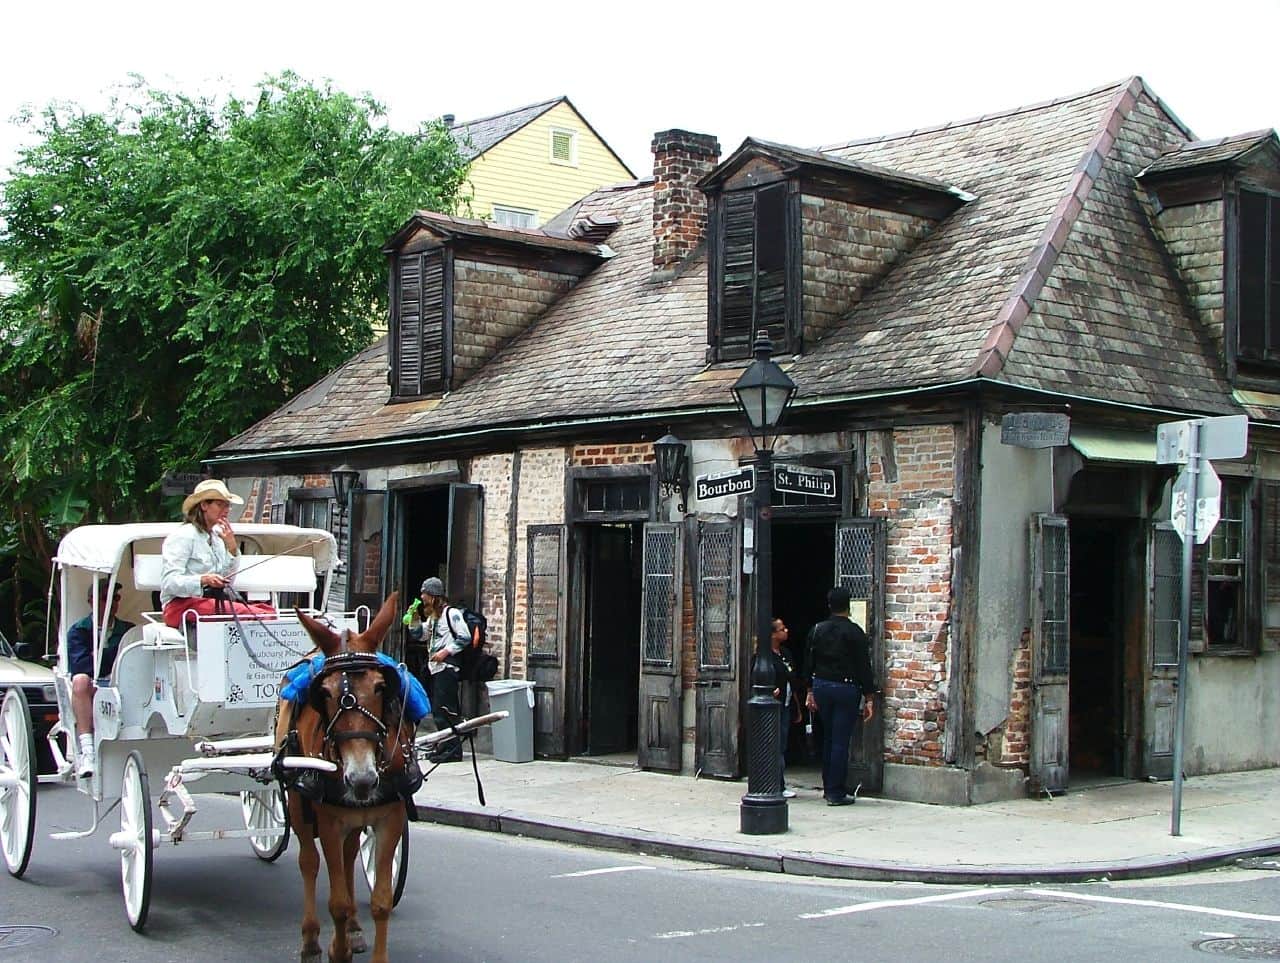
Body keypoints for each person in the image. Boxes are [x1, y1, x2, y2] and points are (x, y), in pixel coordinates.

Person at [160, 478, 276, 629]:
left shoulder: (217, 538)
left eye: (228, 505)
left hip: (210, 602)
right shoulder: (183, 536)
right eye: (220, 504)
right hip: (180, 606)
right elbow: (170, 583)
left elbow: (228, 581)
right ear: (204, 505)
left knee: (269, 611)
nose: (226, 510)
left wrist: (232, 549)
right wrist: (203, 580)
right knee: (261, 616)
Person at [803, 586, 879, 806]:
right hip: (846, 688)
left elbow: (809, 662)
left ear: (829, 605)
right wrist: (870, 696)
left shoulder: (817, 630)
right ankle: (835, 792)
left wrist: (809, 690)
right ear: (848, 606)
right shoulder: (855, 632)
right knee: (840, 740)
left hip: (822, 686)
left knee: (828, 737)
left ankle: (829, 786)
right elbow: (864, 667)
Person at [67, 580, 134, 778]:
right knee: (80, 680)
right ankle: (87, 749)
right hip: (94, 688)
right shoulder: (78, 631)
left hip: (121, 685)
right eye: (106, 598)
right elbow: (82, 666)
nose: (112, 602)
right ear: (91, 601)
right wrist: (110, 655)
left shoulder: (128, 630)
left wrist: (101, 657)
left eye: (116, 597)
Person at [403, 576, 469, 762]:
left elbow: (465, 637)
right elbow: (421, 636)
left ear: (434, 596)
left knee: (446, 711)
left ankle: (452, 750)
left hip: (447, 667)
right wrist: (414, 620)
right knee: (438, 711)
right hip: (435, 668)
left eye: (425, 594)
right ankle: (443, 746)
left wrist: (445, 652)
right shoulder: (433, 618)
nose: (422, 597)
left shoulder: (452, 614)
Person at [768, 617, 801, 798]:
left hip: (786, 705)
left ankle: (779, 783)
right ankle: (775, 784)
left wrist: (796, 705)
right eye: (782, 629)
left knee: (782, 745)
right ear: (773, 634)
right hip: (772, 707)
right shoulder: (764, 657)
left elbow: (792, 681)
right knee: (774, 745)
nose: (786, 631)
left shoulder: (786, 654)